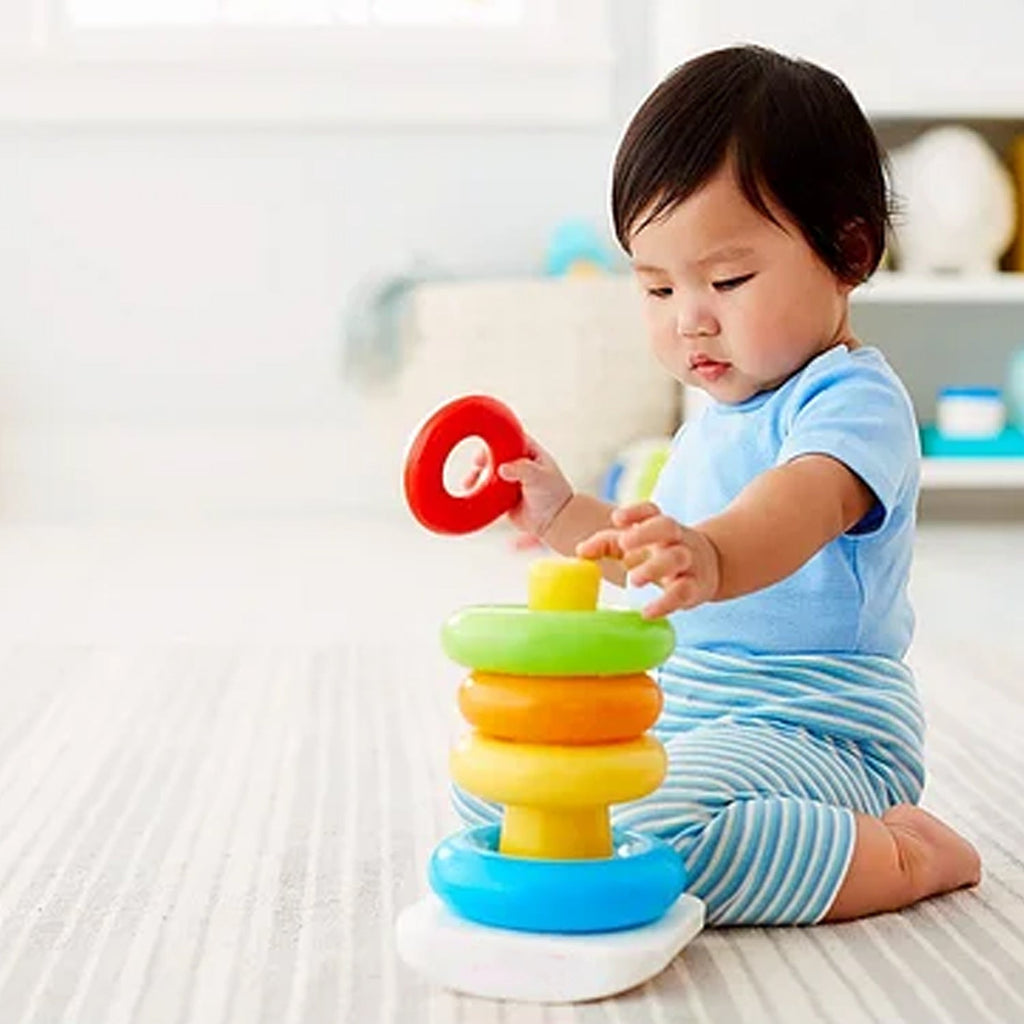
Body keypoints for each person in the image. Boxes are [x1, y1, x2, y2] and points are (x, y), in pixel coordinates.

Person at [456, 44, 980, 926]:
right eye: (657, 286)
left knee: (664, 838)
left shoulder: (853, 403)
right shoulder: (714, 410)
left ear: (848, 251)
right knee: (512, 792)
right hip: (692, 709)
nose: (689, 318)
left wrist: (709, 549)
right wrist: (560, 513)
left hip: (821, 729)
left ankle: (902, 854)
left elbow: (791, 511)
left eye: (727, 280)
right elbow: (658, 559)